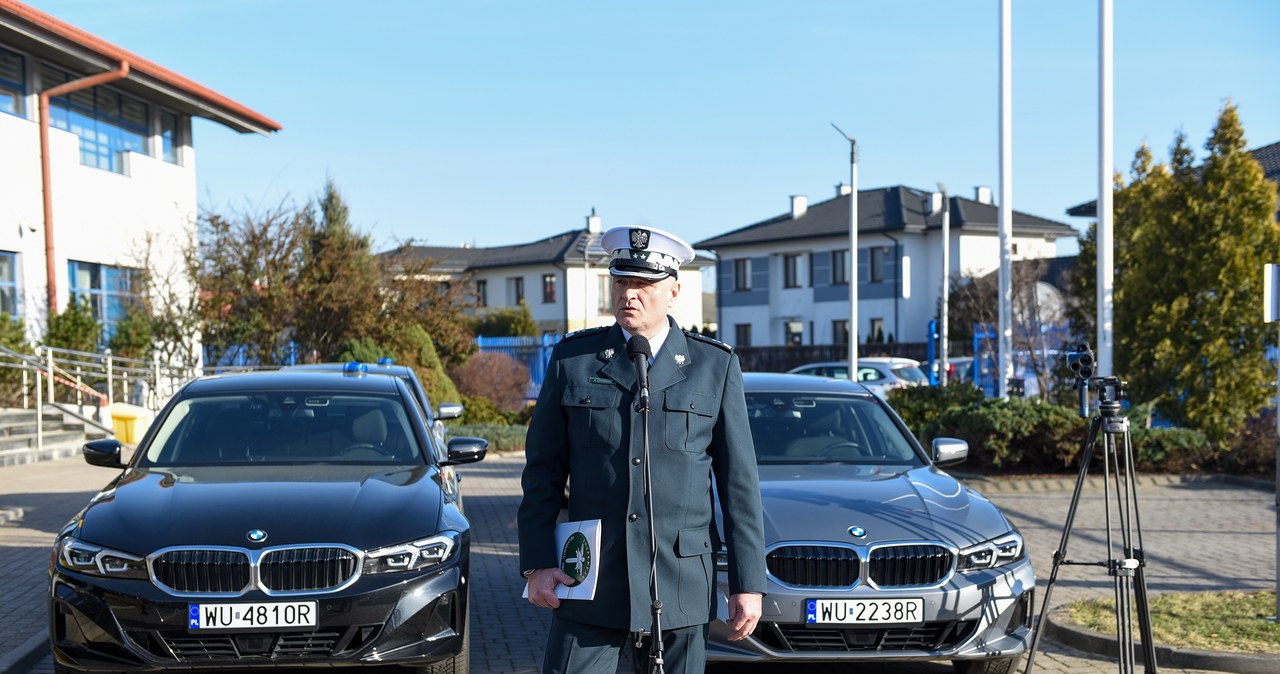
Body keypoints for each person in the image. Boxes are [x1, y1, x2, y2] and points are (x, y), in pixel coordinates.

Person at [518, 226, 766, 674]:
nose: (629, 294)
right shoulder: (575, 360)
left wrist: (750, 582)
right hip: (591, 582)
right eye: (621, 282)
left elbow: (738, 485)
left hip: (680, 584)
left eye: (643, 284)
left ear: (674, 290)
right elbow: (542, 473)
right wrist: (537, 563)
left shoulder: (714, 366)